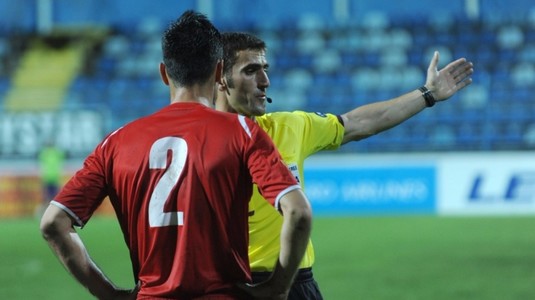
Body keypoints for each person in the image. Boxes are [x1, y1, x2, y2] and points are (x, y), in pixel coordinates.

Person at [40, 11, 312, 300]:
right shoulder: (242, 132)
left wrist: (110, 294)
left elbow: (53, 223)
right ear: (219, 73)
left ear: (163, 73)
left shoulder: (116, 142)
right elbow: (298, 212)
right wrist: (277, 288)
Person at [215, 32, 474, 299]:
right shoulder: (190, 144)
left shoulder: (289, 127)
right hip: (228, 286)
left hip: (294, 284)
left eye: (265, 70)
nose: (265, 81)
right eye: (251, 71)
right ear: (220, 77)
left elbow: (359, 123)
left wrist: (427, 93)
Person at [35, 140, 65, 217]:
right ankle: (42, 213)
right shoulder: (49, 152)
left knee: (53, 198)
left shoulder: (49, 152)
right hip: (49, 178)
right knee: (48, 198)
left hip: (52, 178)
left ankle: (48, 213)